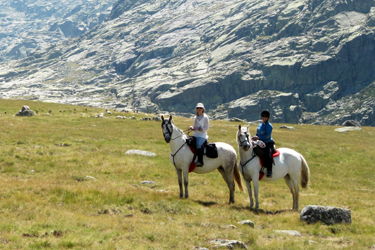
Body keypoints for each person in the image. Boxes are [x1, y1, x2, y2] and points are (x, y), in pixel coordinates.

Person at [252, 110, 274, 177]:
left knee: (268, 154)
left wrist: (258, 138)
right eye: (263, 117)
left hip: (268, 143)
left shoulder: (269, 126)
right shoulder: (259, 126)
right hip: (260, 142)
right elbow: (257, 134)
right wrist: (253, 137)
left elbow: (268, 136)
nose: (264, 118)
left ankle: (269, 171)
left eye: (266, 117)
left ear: (268, 118)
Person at [189, 103, 209, 167]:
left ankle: (200, 161)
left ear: (203, 109)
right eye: (198, 108)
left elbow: (207, 128)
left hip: (202, 135)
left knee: (198, 144)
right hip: (195, 134)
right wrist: (192, 127)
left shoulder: (205, 117)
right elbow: (195, 126)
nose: (199, 109)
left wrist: (200, 129)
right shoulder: (195, 117)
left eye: (201, 108)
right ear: (196, 109)